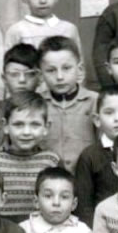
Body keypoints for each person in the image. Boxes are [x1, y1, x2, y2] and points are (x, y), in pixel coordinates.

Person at [75, 85, 118, 227]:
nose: (117, 119)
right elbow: (84, 206)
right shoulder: (90, 156)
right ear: (97, 120)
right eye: (109, 113)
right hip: (103, 229)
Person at [0, 91, 60, 224]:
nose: (26, 132)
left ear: (46, 127)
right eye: (18, 124)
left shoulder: (51, 161)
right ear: (6, 126)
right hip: (0, 231)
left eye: (35, 125)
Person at [38, 35, 97, 172]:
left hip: (88, 178)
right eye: (51, 70)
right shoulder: (37, 105)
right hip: (48, 181)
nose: (59, 77)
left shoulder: (95, 102)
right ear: (41, 75)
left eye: (66, 68)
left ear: (80, 70)